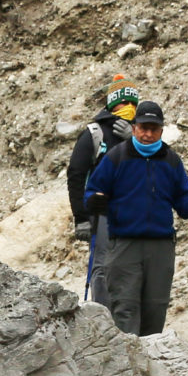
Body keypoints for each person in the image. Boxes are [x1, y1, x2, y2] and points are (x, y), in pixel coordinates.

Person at [84, 101, 188, 337]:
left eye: (154, 129)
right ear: (134, 128)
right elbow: (92, 190)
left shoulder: (171, 160)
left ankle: (149, 369)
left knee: (156, 310)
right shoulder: (116, 157)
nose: (148, 134)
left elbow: (182, 201)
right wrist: (93, 202)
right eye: (143, 128)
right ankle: (128, 370)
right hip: (123, 245)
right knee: (124, 309)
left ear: (161, 131)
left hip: (161, 247)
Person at [67, 74, 139, 306]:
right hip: (103, 212)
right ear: (111, 103)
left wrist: (135, 142)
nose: (129, 108)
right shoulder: (94, 133)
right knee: (103, 265)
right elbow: (76, 175)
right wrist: (80, 218)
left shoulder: (143, 133)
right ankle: (103, 316)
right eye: (123, 103)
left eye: (133, 104)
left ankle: (127, 321)